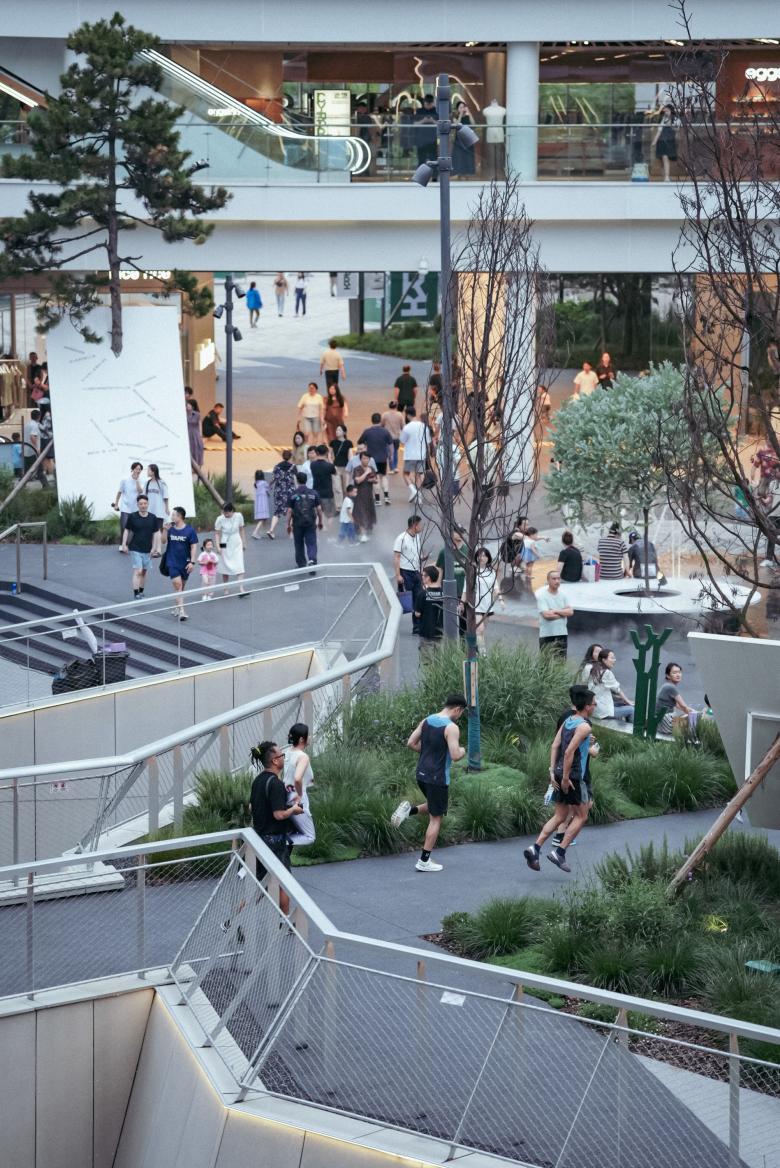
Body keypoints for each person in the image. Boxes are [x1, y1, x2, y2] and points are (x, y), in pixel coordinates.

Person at [524, 689, 599, 874]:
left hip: (558, 772)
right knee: (582, 816)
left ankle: (535, 848)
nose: (596, 706)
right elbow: (568, 752)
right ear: (587, 706)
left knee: (559, 816)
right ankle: (559, 852)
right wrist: (565, 778)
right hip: (573, 777)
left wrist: (553, 772)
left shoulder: (568, 720)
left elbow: (555, 745)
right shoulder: (584, 727)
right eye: (594, 703)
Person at [391, 693, 468, 872]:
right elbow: (455, 755)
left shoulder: (427, 720)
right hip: (437, 777)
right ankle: (424, 860)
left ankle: (408, 811)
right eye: (461, 713)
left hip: (421, 774)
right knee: (436, 818)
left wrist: (428, 753)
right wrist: (463, 750)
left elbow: (411, 743)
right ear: (458, 709)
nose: (460, 716)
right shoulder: (451, 728)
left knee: (435, 805)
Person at [249, 740, 303, 916]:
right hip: (275, 843)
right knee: (284, 884)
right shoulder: (276, 784)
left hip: (259, 839)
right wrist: (294, 810)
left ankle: (232, 921)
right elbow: (279, 815)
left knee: (260, 885)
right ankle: (283, 922)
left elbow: (251, 807)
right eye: (282, 755)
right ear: (274, 760)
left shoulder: (258, 781)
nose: (283, 758)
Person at [120, 494, 157, 599]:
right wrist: (124, 544)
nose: (143, 505)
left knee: (144, 572)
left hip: (147, 549)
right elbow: (126, 530)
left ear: (148, 504)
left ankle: (141, 591)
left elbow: (155, 533)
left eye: (145, 503)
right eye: (141, 504)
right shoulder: (133, 516)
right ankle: (136, 593)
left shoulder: (152, 517)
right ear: (137, 505)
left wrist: (154, 547)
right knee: (138, 570)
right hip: (135, 547)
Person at [466, 547, 503, 651]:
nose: (482, 558)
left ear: (488, 558)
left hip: (487, 605)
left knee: (481, 630)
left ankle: (474, 649)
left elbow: (496, 587)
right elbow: (466, 588)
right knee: (480, 629)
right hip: (476, 605)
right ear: (476, 557)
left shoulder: (491, 572)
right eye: (480, 555)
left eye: (484, 555)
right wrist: (462, 603)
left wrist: (501, 600)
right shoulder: (473, 571)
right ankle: (482, 652)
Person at [582, 649, 634, 722]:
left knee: (622, 704)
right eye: (612, 658)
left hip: (594, 709)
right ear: (604, 660)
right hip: (603, 712)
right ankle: (632, 728)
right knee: (631, 709)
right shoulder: (606, 673)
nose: (614, 660)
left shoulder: (591, 668)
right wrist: (628, 702)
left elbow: (584, 681)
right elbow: (617, 689)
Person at [393, 514, 426, 631]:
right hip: (405, 571)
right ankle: (410, 623)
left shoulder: (417, 537)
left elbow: (416, 553)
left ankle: (417, 625)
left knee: (419, 597)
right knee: (409, 598)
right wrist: (398, 575)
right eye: (420, 524)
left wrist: (422, 558)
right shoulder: (401, 538)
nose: (421, 527)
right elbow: (397, 557)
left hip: (416, 571)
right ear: (414, 525)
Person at [165, 506, 198, 621]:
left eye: (173, 515)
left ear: (180, 516)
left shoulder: (190, 530)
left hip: (185, 563)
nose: (171, 517)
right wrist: (165, 530)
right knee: (178, 585)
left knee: (181, 588)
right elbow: (163, 541)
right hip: (172, 562)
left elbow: (193, 547)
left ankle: (177, 607)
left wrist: (192, 562)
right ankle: (182, 611)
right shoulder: (170, 529)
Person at [286, 471, 323, 568]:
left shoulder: (293, 494)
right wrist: (320, 521)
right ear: (306, 480)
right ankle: (312, 559)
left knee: (298, 543)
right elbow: (319, 509)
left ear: (297, 481)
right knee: (311, 542)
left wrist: (288, 525)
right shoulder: (313, 493)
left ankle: (301, 564)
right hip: (310, 522)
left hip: (297, 523)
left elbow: (289, 511)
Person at [535, 569, 573, 657]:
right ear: (548, 580)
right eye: (554, 579)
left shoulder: (564, 595)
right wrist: (563, 614)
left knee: (561, 661)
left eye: (558, 579)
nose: (557, 581)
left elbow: (570, 612)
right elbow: (547, 615)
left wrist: (555, 611)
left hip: (562, 633)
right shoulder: (542, 596)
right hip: (547, 634)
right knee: (546, 661)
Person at [655, 662, 699, 735]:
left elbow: (679, 706)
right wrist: (695, 715)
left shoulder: (667, 686)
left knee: (689, 718)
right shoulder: (670, 687)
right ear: (668, 676)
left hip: (660, 721)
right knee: (693, 724)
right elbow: (683, 706)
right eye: (674, 673)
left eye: (679, 672)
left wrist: (692, 712)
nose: (678, 675)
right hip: (665, 722)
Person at [359, 413, 393, 505]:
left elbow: (360, 442)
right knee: (383, 476)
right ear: (380, 420)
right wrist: (391, 456)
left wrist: (366, 445)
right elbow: (390, 444)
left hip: (371, 459)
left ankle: (377, 500)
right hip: (383, 458)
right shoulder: (385, 431)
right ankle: (386, 497)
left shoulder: (367, 431)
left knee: (374, 477)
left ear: (372, 420)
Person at [215, 502, 247, 594]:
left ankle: (241, 588)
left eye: (227, 512)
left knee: (239, 564)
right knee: (225, 565)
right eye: (224, 512)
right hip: (224, 541)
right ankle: (226, 588)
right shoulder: (220, 519)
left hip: (236, 541)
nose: (225, 514)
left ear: (232, 510)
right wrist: (218, 546)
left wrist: (244, 543)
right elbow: (217, 533)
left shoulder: (239, 516)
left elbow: (241, 529)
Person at [400, 408, 430, 500]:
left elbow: (402, 441)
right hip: (422, 454)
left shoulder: (407, 427)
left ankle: (413, 491)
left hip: (410, 455)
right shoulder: (424, 426)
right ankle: (419, 498)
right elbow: (428, 441)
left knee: (405, 474)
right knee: (418, 475)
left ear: (408, 415)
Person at [268, 450, 297, 539]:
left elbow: (273, 478)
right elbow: (296, 479)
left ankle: (271, 530)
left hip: (279, 492)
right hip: (290, 492)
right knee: (291, 511)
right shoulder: (293, 467)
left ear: (282, 456)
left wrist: (269, 486)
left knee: (277, 511)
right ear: (290, 457)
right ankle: (291, 533)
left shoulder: (277, 467)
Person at [415, 565, 444, 651]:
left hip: (426, 631)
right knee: (438, 656)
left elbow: (417, 614)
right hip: (440, 631)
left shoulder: (422, 594)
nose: (422, 577)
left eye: (423, 575)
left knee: (426, 657)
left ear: (429, 578)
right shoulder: (443, 593)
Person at [352, 451, 378, 542]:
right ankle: (363, 534)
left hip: (369, 495)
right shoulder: (357, 469)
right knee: (360, 513)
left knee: (368, 512)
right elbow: (358, 480)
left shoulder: (371, 468)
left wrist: (373, 480)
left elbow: (376, 480)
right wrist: (366, 473)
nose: (365, 460)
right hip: (359, 495)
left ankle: (367, 528)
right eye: (364, 458)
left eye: (367, 458)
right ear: (360, 459)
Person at [144, 464, 169, 557]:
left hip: (159, 511)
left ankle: (158, 550)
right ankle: (153, 549)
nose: (147, 472)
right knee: (152, 530)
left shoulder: (161, 483)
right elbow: (144, 497)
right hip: (149, 511)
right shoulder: (147, 483)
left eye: (148, 470)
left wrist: (167, 508)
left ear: (153, 471)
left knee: (158, 530)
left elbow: (166, 496)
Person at [112, 461, 143, 533]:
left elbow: (140, 491)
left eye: (139, 469)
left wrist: (137, 481)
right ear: (132, 469)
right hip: (125, 507)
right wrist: (116, 504)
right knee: (124, 527)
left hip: (135, 508)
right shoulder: (125, 480)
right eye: (136, 469)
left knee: (133, 529)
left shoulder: (142, 480)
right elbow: (119, 492)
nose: (138, 471)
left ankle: (130, 541)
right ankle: (123, 541)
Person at [311, 444, 337, 524]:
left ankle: (320, 527)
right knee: (329, 514)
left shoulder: (312, 464)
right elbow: (336, 472)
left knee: (318, 513)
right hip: (327, 493)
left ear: (317, 453)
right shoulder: (329, 466)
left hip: (316, 492)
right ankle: (327, 529)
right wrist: (330, 459)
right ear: (326, 453)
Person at [653, 104, 677, 181]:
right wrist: (655, 141)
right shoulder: (664, 119)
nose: (666, 112)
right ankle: (664, 176)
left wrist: (671, 125)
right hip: (661, 141)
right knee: (662, 159)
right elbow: (659, 131)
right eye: (665, 111)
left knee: (665, 157)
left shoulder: (675, 119)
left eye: (667, 111)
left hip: (669, 141)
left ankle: (667, 176)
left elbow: (677, 129)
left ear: (671, 111)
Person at [451, 100, 476, 175]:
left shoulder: (468, 117)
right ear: (457, 109)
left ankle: (468, 172)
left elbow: (473, 124)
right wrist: (461, 114)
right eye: (460, 107)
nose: (462, 109)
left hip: (468, 138)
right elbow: (457, 125)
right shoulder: (455, 117)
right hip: (459, 139)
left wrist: (469, 113)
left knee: (468, 156)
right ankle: (458, 172)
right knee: (459, 156)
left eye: (463, 107)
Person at [24, 408, 48, 485]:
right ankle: (45, 485)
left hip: (26, 450)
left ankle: (22, 485)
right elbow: (32, 437)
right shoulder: (35, 425)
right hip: (33, 451)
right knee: (39, 469)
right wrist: (37, 448)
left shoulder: (27, 424)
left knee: (27, 470)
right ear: (39, 417)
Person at [329, 424, 354, 497]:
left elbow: (350, 456)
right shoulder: (333, 442)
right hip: (336, 467)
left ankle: (346, 501)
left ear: (344, 432)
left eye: (339, 430)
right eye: (336, 430)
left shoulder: (348, 443)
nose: (337, 431)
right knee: (337, 488)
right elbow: (329, 455)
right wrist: (332, 464)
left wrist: (350, 467)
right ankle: (339, 503)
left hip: (346, 468)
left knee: (345, 487)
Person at [414, 93, 438, 168]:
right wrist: (423, 121)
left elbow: (441, 124)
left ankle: (434, 174)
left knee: (433, 159)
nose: (428, 105)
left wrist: (433, 121)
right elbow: (414, 124)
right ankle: (420, 174)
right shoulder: (419, 111)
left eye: (430, 104)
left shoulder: (436, 111)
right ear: (424, 103)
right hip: (421, 139)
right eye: (427, 104)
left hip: (432, 139)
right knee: (421, 159)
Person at [382, 400, 404, 472]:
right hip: (397, 437)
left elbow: (382, 425)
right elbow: (403, 426)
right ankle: (395, 467)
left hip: (387, 437)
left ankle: (392, 467)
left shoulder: (385, 415)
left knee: (389, 453)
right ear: (396, 406)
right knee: (395, 452)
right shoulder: (400, 415)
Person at [252, 470, 271, 538]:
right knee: (263, 518)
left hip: (258, 503)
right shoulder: (264, 483)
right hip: (263, 503)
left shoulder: (256, 483)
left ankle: (267, 531)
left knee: (264, 518)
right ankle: (255, 532)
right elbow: (268, 488)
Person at [186, 400, 204, 469]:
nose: (187, 406)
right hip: (187, 433)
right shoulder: (184, 413)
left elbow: (200, 425)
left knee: (196, 449)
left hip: (195, 434)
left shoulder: (197, 414)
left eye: (188, 404)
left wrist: (201, 435)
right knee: (189, 449)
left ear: (193, 406)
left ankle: (197, 466)